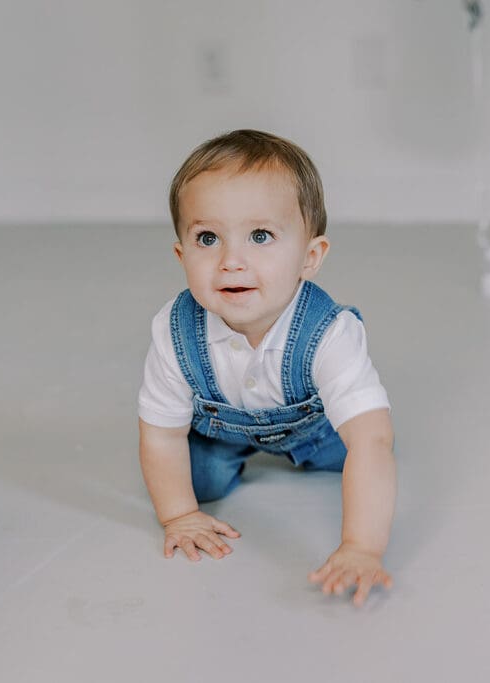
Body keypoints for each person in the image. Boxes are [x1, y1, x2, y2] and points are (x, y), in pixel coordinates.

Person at [138, 129, 396, 607]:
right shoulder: (174, 332)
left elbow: (371, 439)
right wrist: (179, 516)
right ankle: (213, 473)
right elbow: (160, 433)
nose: (231, 261)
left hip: (316, 429)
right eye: (207, 238)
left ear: (310, 256)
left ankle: (324, 463)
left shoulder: (328, 333)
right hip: (220, 432)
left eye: (261, 236)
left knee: (364, 454)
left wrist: (361, 546)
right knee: (197, 482)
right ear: (181, 254)